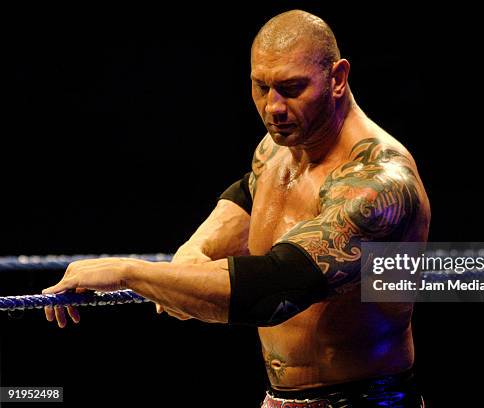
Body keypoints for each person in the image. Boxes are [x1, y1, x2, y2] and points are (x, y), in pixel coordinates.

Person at [43, 10, 430, 407]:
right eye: (261, 87)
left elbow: (277, 290)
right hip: (278, 398)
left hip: (368, 400)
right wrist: (197, 250)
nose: (273, 108)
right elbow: (251, 192)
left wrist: (130, 272)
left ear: (337, 79)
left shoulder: (379, 184)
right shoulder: (277, 148)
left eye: (291, 88)